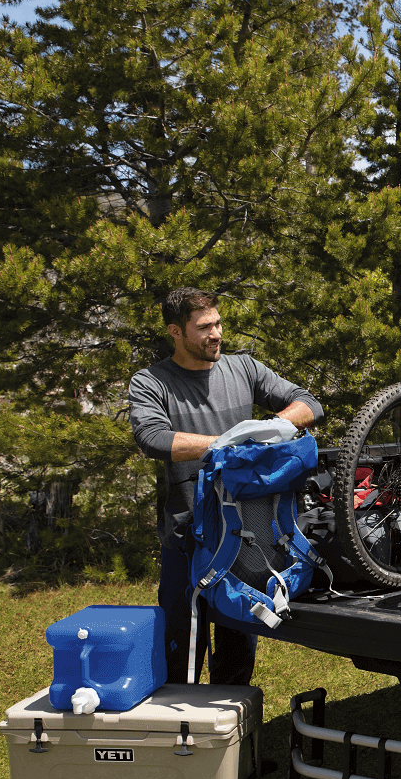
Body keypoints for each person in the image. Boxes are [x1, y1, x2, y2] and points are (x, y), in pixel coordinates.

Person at [128, 288, 323, 686]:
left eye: (217, 323)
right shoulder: (152, 382)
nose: (216, 333)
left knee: (237, 654)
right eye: (203, 327)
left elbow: (309, 404)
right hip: (187, 538)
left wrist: (270, 428)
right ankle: (177, 736)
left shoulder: (244, 369)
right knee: (179, 651)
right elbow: (153, 438)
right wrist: (226, 446)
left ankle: (230, 739)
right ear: (175, 332)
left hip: (243, 538)